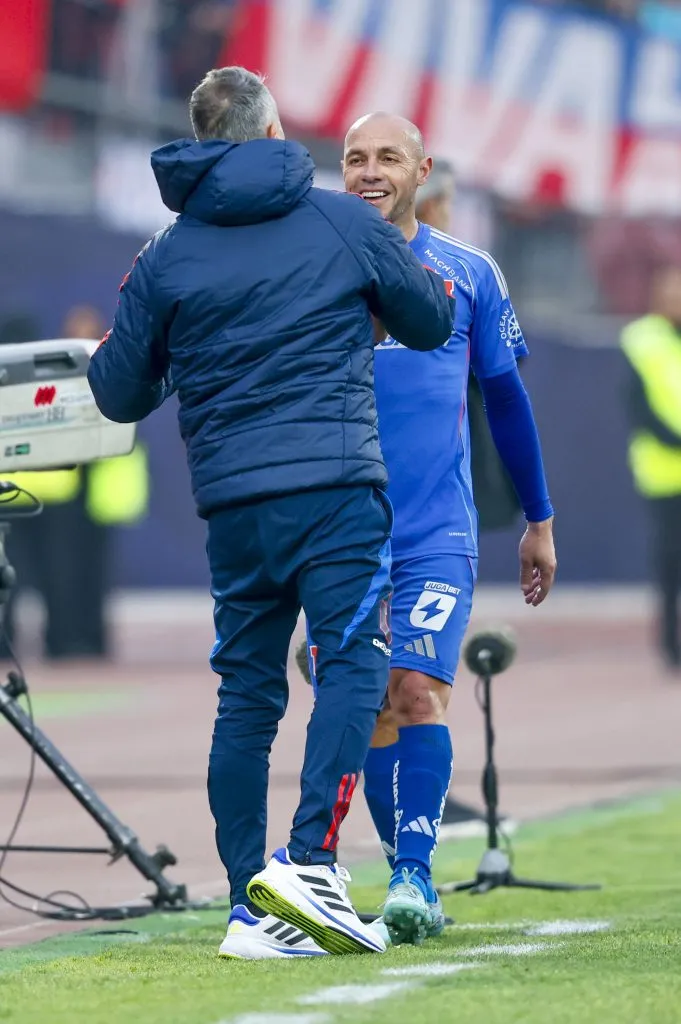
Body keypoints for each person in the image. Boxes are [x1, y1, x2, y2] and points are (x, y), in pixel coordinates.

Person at [87, 68, 454, 959]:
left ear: (201, 142)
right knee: (351, 665)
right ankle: (311, 868)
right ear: (275, 127)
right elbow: (429, 322)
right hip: (334, 490)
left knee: (246, 697)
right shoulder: (342, 220)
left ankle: (250, 910)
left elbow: (114, 393)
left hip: (233, 505)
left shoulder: (166, 251)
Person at [324, 112, 555, 947]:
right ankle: (402, 876)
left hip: (433, 536)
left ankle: (415, 875)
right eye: (355, 158)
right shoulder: (313, 266)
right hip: (338, 539)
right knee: (372, 712)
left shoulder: (468, 271)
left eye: (388, 156)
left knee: (418, 690)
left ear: (423, 170)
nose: (370, 170)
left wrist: (538, 519)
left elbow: (506, 402)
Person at [415, 160, 521, 838]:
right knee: (402, 666)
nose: (451, 215)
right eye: (446, 202)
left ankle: (423, 792)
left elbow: (501, 390)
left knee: (418, 663)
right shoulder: (385, 278)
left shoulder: (465, 277)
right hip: (405, 498)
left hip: (442, 495)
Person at [0, 308, 149, 662]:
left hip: (15, 492)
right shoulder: (53, 373)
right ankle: (66, 643)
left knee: (12, 578)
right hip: (58, 489)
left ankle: (13, 644)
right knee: (63, 577)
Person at [621, 264, 681, 673]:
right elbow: (639, 409)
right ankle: (670, 645)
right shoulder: (642, 340)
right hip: (664, 474)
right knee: (670, 562)